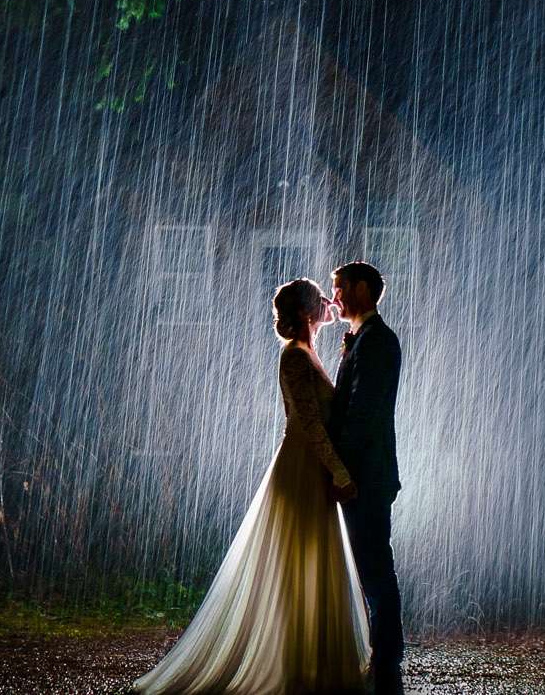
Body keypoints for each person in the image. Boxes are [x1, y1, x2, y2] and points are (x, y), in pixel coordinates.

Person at [130, 278, 370, 695]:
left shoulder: (308, 352)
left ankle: (313, 664)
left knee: (311, 563)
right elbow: (309, 424)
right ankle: (300, 669)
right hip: (302, 470)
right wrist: (340, 471)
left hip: (309, 468)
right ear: (305, 313)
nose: (329, 302)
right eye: (320, 299)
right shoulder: (295, 357)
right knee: (299, 566)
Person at [329, 261, 404, 695]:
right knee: (368, 567)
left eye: (339, 288)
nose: (334, 296)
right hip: (363, 473)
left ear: (360, 289)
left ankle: (388, 660)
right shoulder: (364, 339)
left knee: (375, 568)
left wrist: (343, 470)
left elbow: (363, 414)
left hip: (367, 476)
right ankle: (381, 656)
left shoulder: (377, 341)